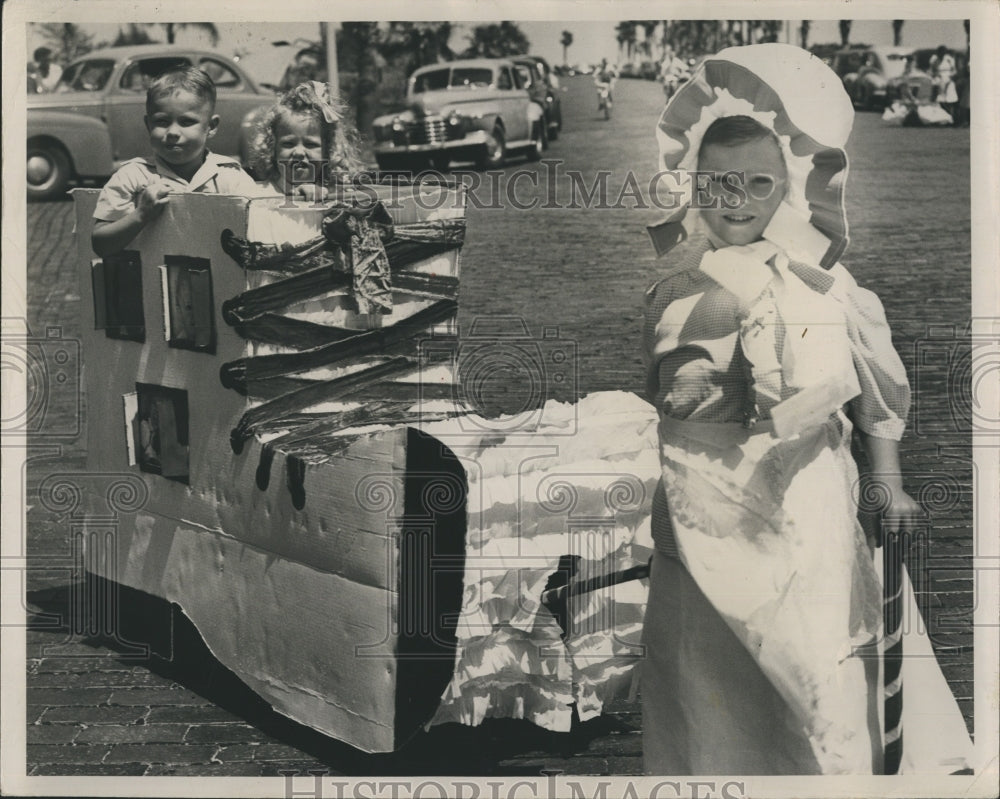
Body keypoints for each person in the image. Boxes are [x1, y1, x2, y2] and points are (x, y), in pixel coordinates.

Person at [641, 43, 973, 775]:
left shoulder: (825, 288)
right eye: (718, 183)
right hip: (703, 513)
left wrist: (884, 472)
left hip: (802, 504)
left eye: (758, 184)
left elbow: (875, 385)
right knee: (710, 675)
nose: (735, 201)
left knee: (815, 666)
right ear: (693, 184)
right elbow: (658, 390)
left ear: (789, 189)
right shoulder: (675, 287)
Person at [91, 67, 259, 257]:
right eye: (162, 121)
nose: (172, 132)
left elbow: (261, 230)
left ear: (211, 127)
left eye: (186, 122)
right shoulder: (132, 176)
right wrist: (141, 215)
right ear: (148, 125)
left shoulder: (230, 177)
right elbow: (100, 244)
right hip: (151, 282)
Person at [247, 80, 362, 201]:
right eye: (288, 144)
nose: (299, 152)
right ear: (272, 149)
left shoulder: (337, 196)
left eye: (311, 144)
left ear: (328, 151)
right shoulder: (262, 196)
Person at [929, 45, 958, 115]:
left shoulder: (949, 59)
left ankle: (950, 115)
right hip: (938, 80)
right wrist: (935, 76)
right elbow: (931, 71)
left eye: (942, 53)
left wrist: (950, 77)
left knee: (949, 98)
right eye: (939, 53)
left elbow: (954, 71)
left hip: (948, 79)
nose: (941, 55)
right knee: (938, 98)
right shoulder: (934, 59)